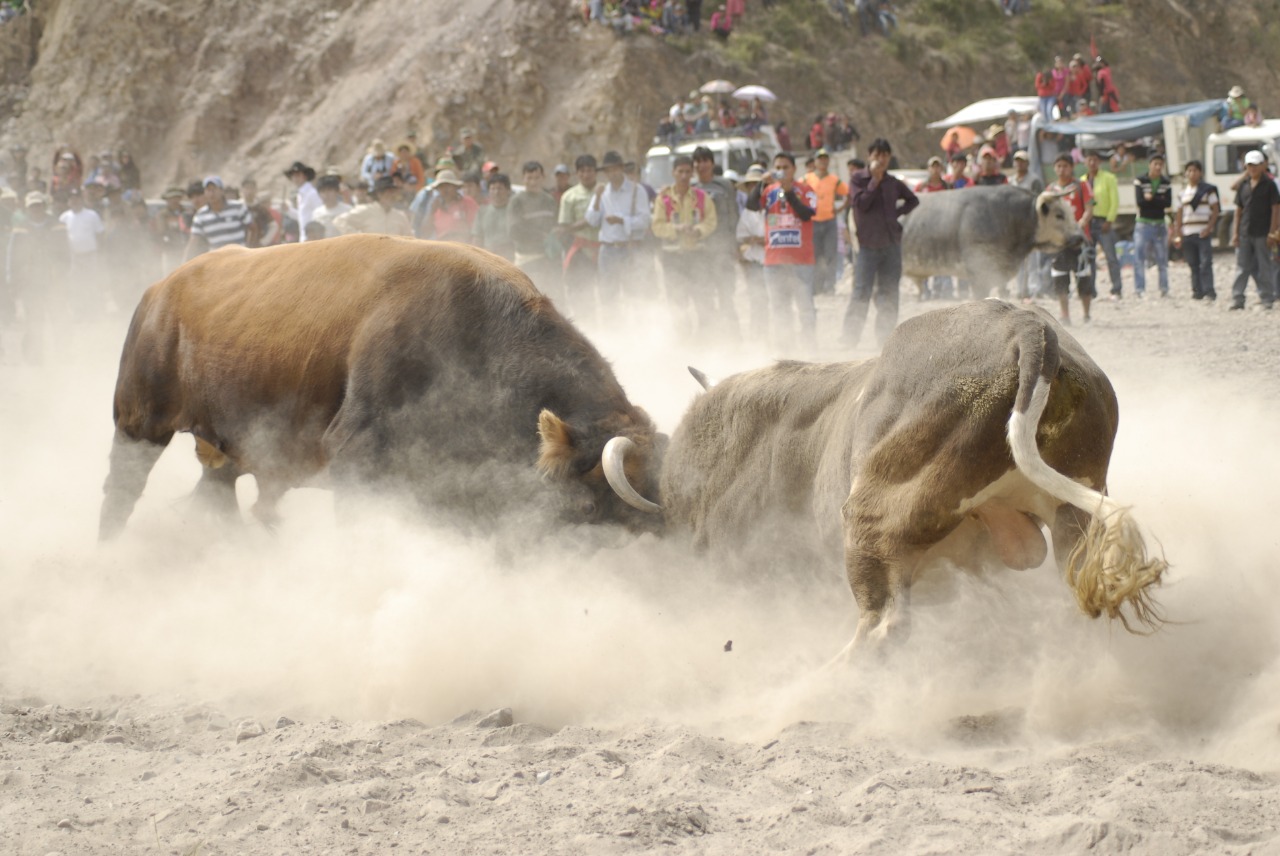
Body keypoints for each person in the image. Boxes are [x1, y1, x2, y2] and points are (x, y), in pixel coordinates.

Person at [840, 138, 918, 349]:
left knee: (890, 293)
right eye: (876, 155)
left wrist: (896, 214)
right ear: (869, 157)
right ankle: (849, 340)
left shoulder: (893, 182)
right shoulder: (858, 179)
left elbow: (913, 200)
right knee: (861, 293)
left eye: (884, 155)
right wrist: (874, 181)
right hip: (867, 247)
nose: (880, 159)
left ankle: (884, 340)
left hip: (891, 245)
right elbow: (861, 204)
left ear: (889, 158)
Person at [744, 151, 819, 354]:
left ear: (794, 169)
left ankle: (809, 349)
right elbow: (750, 205)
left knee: (805, 308)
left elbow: (806, 215)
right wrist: (761, 184)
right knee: (779, 309)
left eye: (786, 167)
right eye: (778, 168)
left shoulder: (806, 190)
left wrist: (789, 192)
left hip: (801, 261)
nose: (781, 171)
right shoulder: (769, 192)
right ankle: (785, 351)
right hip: (774, 261)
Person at [652, 155, 717, 339]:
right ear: (673, 173)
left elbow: (711, 222)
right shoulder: (663, 199)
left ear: (692, 173)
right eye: (680, 171)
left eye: (687, 171)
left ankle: (706, 337)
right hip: (673, 259)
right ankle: (683, 339)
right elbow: (657, 226)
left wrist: (698, 231)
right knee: (677, 301)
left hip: (697, 257)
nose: (684, 175)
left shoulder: (701, 197)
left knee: (703, 299)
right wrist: (677, 229)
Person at [6, 190, 67, 363]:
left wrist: (63, 275)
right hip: (30, 282)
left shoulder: (57, 225)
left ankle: (61, 354)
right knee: (33, 320)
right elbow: (12, 254)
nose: (36, 209)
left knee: (58, 318)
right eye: (33, 206)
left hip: (53, 281)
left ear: (44, 206)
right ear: (27, 208)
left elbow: (65, 253)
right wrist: (12, 279)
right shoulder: (21, 228)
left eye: (39, 206)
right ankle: (34, 356)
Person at [586, 151, 650, 304]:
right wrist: (596, 199)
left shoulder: (637, 190)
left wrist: (621, 220)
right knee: (608, 296)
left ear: (621, 168)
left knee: (634, 294)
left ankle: (636, 325)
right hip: (608, 250)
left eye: (614, 169)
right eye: (608, 170)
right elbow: (591, 220)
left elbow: (644, 221)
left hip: (630, 248)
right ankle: (611, 325)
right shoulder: (603, 192)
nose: (612, 174)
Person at [692, 145, 741, 334]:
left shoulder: (724, 186)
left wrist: (735, 245)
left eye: (705, 160)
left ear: (712, 164)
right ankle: (709, 337)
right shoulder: (691, 189)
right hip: (699, 252)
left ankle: (733, 337)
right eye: (697, 161)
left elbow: (733, 216)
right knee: (703, 298)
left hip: (722, 250)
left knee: (726, 297)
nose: (701, 165)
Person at [1229, 149, 1279, 310]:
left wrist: (1272, 232)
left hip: (1263, 233)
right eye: (1250, 166)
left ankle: (1267, 298)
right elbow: (1238, 211)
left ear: (1262, 166)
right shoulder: (1243, 185)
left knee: (1264, 265)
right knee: (1242, 266)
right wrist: (1235, 233)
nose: (1253, 169)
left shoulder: (1270, 185)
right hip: (1245, 231)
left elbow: (1275, 209)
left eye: (1256, 165)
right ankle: (1238, 298)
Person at [1048, 154, 1094, 324]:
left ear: (1071, 167)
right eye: (1058, 166)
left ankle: (1086, 315)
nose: (1062, 169)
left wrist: (1082, 223)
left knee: (1084, 277)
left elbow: (1089, 209)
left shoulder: (1081, 186)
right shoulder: (1050, 191)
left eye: (1065, 166)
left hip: (1079, 241)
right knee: (1060, 278)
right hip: (1059, 242)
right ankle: (1065, 315)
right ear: (1055, 168)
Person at [508, 161, 563, 301]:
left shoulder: (549, 200)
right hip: (527, 259)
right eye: (529, 178)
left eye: (536, 178)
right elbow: (514, 230)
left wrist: (556, 233)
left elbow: (555, 225)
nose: (533, 182)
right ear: (523, 179)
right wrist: (540, 236)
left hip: (548, 259)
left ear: (543, 178)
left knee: (553, 299)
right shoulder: (517, 201)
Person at [557, 154, 601, 320]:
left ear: (596, 172)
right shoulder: (570, 196)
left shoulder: (605, 192)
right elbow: (564, 228)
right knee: (582, 294)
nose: (586, 174)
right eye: (582, 171)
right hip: (581, 252)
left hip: (606, 249)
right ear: (577, 174)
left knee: (608, 292)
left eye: (589, 170)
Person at [1172, 160, 1219, 301]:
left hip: (1202, 231)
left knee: (1205, 262)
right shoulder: (1182, 194)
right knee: (1193, 264)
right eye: (1189, 170)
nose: (1192, 173)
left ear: (1200, 173)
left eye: (1195, 170)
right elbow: (1179, 214)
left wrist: (1209, 227)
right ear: (1186, 173)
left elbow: (1215, 210)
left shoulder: (1208, 191)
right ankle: (1197, 291)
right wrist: (1177, 233)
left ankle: (1209, 290)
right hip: (1187, 233)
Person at [804, 147, 848, 296]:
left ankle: (830, 287)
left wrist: (840, 208)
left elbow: (847, 193)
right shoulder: (807, 178)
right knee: (815, 256)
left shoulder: (834, 179)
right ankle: (816, 286)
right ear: (815, 161)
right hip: (813, 221)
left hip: (829, 221)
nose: (823, 162)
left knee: (830, 255)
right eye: (820, 159)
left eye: (825, 159)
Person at [734, 164, 769, 341]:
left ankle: (776, 337)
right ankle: (758, 337)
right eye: (750, 185)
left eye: (757, 185)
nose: (753, 189)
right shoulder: (747, 213)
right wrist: (754, 240)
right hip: (755, 262)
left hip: (773, 262)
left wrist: (767, 240)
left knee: (775, 301)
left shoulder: (774, 207)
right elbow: (741, 236)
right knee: (756, 300)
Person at [59, 186, 106, 317]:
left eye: (77, 199)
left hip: (90, 255)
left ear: (81, 200)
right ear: (69, 201)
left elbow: (100, 234)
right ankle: (78, 312)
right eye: (72, 199)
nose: (75, 202)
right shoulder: (64, 217)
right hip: (73, 257)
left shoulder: (92, 215)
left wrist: (101, 252)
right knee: (75, 285)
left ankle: (93, 311)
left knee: (91, 283)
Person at [185, 176, 257, 261]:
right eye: (208, 190)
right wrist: (184, 263)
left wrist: (249, 250)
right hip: (217, 262)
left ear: (222, 191)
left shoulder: (238, 207)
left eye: (214, 189)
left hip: (240, 259)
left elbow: (253, 229)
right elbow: (193, 242)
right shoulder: (200, 215)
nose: (211, 193)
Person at [1083, 150, 1122, 298]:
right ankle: (1091, 291)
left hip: (1103, 221)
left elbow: (1115, 201)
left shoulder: (1108, 178)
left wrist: (1109, 220)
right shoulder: (1082, 180)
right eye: (1089, 160)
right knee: (1089, 258)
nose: (1092, 163)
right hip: (1088, 223)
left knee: (1110, 257)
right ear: (1085, 162)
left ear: (1099, 162)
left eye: (1095, 160)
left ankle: (1116, 289)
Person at [1132, 153, 1172, 298]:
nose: (1158, 167)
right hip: (1143, 224)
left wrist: (1152, 198)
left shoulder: (1166, 182)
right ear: (1150, 165)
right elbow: (1140, 202)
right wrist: (1158, 200)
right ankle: (1139, 289)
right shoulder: (1140, 180)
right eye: (1155, 164)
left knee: (1162, 259)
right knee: (1139, 257)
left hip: (1160, 225)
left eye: (1160, 164)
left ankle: (1164, 288)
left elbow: (1167, 203)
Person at [913, 156, 951, 300]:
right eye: (933, 166)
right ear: (929, 169)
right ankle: (924, 290)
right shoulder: (921, 187)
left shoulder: (948, 186)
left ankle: (941, 290)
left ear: (941, 168)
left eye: (938, 166)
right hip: (925, 228)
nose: (935, 169)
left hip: (943, 226)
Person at [332, 175, 412, 237]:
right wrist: (359, 238)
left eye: (393, 192)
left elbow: (410, 238)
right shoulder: (366, 210)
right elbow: (339, 221)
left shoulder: (400, 216)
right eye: (388, 192)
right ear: (379, 194)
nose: (392, 196)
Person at [471, 172, 516, 260]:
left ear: (508, 190)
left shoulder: (515, 210)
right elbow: (477, 238)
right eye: (493, 188)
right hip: (488, 258)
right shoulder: (482, 211)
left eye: (500, 188)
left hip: (510, 257)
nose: (496, 192)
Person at [424, 170, 478, 243]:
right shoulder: (435, 207)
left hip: (464, 246)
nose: (445, 190)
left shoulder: (467, 203)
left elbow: (476, 229)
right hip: (443, 248)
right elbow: (425, 233)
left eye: (448, 186)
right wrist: (431, 212)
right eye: (441, 187)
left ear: (455, 187)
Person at [284, 161, 322, 242]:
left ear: (305, 176)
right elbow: (301, 216)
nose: (295, 178)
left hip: (313, 238)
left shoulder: (312, 193)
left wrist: (314, 236)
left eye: (298, 175)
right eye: (293, 176)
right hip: (305, 238)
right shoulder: (300, 195)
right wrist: (288, 210)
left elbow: (320, 214)